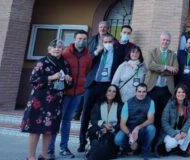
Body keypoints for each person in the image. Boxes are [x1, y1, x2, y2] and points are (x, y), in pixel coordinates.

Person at [21, 39, 72, 160]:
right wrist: (51, 77)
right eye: (54, 47)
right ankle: (31, 156)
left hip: (55, 101)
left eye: (60, 47)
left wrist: (69, 80)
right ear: (49, 49)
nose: (57, 49)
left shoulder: (65, 63)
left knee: (49, 129)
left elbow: (68, 84)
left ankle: (44, 154)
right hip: (39, 100)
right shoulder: (42, 62)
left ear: (63, 49)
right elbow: (33, 80)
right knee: (35, 128)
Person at [48, 31, 91, 159]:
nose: (81, 41)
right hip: (63, 94)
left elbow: (86, 72)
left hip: (77, 93)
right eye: (79, 38)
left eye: (84, 38)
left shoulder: (88, 56)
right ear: (74, 39)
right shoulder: (65, 53)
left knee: (67, 121)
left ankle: (64, 148)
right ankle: (49, 150)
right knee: (56, 121)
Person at [79, 33, 125, 152]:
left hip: (106, 86)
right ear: (102, 42)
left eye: (110, 42)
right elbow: (86, 62)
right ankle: (82, 142)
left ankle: (101, 140)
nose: (108, 44)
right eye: (105, 42)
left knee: (102, 112)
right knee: (86, 114)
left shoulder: (118, 54)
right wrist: (96, 51)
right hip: (93, 84)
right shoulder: (96, 52)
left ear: (114, 43)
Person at [145, 32, 179, 149]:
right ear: (160, 40)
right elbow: (149, 65)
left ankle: (158, 147)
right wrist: (166, 67)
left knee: (162, 117)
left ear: (170, 42)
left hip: (166, 90)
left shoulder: (172, 55)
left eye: (167, 40)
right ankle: (147, 145)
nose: (165, 42)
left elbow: (175, 70)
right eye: (163, 40)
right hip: (152, 89)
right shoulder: (152, 52)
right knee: (151, 116)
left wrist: (158, 67)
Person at [115, 83, 156, 160]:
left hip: (143, 130)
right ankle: (128, 148)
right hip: (129, 129)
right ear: (136, 92)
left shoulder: (151, 102)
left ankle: (144, 149)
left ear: (146, 92)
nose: (141, 94)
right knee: (118, 139)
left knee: (151, 128)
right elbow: (122, 124)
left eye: (144, 92)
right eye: (139, 91)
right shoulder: (128, 103)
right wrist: (130, 134)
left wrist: (138, 128)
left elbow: (151, 119)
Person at [157, 84, 190, 156]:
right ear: (175, 94)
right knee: (171, 144)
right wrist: (174, 134)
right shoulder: (170, 104)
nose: (181, 94)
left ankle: (182, 149)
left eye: (183, 92)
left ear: (186, 94)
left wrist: (184, 130)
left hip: (182, 130)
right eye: (179, 92)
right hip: (170, 131)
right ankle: (167, 150)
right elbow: (164, 122)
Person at [87, 84, 123, 159]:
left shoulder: (120, 106)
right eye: (109, 91)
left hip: (113, 131)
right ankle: (94, 148)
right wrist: (103, 124)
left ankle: (99, 151)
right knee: (92, 130)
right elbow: (93, 119)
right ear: (106, 92)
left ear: (116, 94)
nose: (111, 93)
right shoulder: (98, 104)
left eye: (114, 91)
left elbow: (121, 122)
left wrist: (110, 129)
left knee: (106, 144)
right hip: (100, 130)